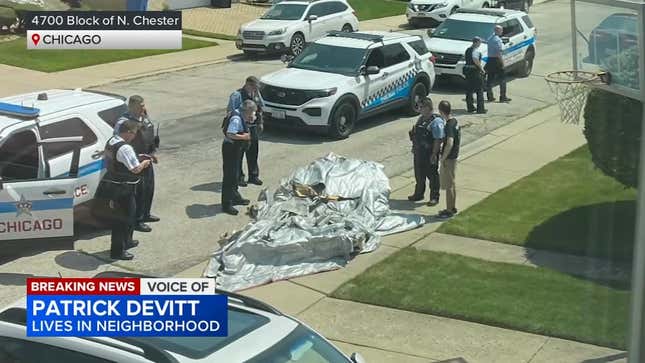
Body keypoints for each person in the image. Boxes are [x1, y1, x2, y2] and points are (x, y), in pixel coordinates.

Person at [96, 120, 152, 260]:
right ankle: (117, 251)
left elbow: (118, 158)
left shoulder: (112, 141)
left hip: (114, 183)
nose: (134, 136)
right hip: (122, 188)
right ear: (128, 132)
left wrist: (137, 157)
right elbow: (135, 169)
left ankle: (127, 241)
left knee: (131, 214)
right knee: (122, 219)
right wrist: (145, 163)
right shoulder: (125, 148)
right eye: (134, 133)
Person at [114, 95, 160, 233]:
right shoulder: (124, 122)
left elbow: (147, 132)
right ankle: (137, 221)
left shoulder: (143, 116)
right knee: (139, 192)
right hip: (134, 160)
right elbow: (119, 140)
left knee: (148, 188)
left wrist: (153, 148)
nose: (143, 108)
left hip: (147, 157)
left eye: (144, 105)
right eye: (140, 106)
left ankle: (146, 213)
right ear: (132, 106)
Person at [227, 76, 264, 187]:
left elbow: (260, 108)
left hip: (253, 128)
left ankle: (253, 175)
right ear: (248, 84)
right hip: (242, 129)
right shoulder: (237, 95)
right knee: (239, 154)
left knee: (253, 152)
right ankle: (239, 177)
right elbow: (231, 111)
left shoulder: (255, 94)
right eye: (254, 87)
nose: (255, 90)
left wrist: (260, 122)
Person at [408, 98, 444, 206]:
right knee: (419, 174)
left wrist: (434, 154)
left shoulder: (436, 122)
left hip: (429, 153)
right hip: (419, 152)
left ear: (428, 108)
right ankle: (419, 194)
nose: (419, 109)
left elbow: (438, 139)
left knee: (432, 176)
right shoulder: (421, 119)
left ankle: (434, 197)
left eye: (421, 107)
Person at [221, 100, 254, 215]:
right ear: (247, 110)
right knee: (229, 176)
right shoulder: (236, 119)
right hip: (230, 148)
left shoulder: (239, 113)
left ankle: (235, 197)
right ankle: (226, 204)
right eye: (252, 112)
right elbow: (230, 133)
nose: (252, 114)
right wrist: (244, 137)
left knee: (235, 175)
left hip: (236, 149)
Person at [438, 100, 461, 218]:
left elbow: (450, 142)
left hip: (450, 158)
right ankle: (452, 207)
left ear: (441, 112)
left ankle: (448, 210)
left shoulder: (449, 125)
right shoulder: (455, 121)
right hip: (454, 156)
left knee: (448, 186)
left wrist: (443, 158)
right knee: (452, 183)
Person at [485, 25, 512, 103]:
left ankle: (490, 97)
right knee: (502, 79)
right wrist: (502, 63)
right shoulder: (497, 40)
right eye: (501, 30)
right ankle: (502, 97)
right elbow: (499, 52)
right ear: (497, 31)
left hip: (490, 60)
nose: (502, 32)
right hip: (497, 60)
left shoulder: (490, 38)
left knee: (490, 79)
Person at [464, 37, 487, 114]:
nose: (480, 44)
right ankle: (480, 109)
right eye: (479, 42)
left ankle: (470, 107)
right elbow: (475, 60)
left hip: (468, 72)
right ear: (476, 42)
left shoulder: (468, 50)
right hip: (475, 72)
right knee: (479, 90)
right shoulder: (475, 51)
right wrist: (481, 69)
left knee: (469, 90)